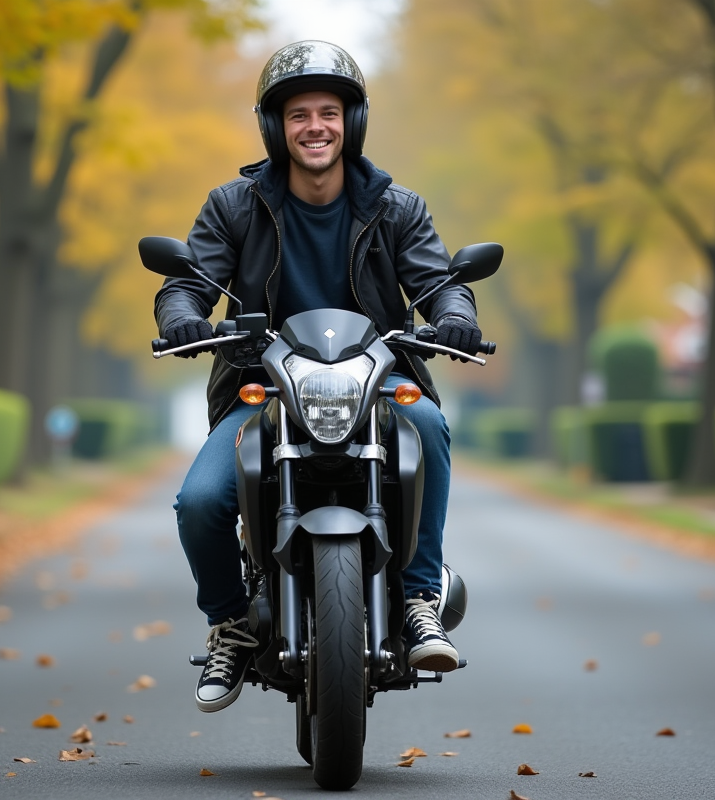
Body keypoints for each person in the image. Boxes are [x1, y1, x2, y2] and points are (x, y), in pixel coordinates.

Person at [154, 41, 484, 713]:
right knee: (200, 502)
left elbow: (440, 282)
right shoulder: (235, 205)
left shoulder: (397, 207)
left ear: (351, 122)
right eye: (299, 113)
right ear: (276, 127)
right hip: (262, 386)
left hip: (380, 382)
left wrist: (454, 315)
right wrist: (185, 315)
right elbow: (188, 281)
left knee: (426, 421)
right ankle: (231, 622)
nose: (315, 126)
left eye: (328, 112)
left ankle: (418, 596)